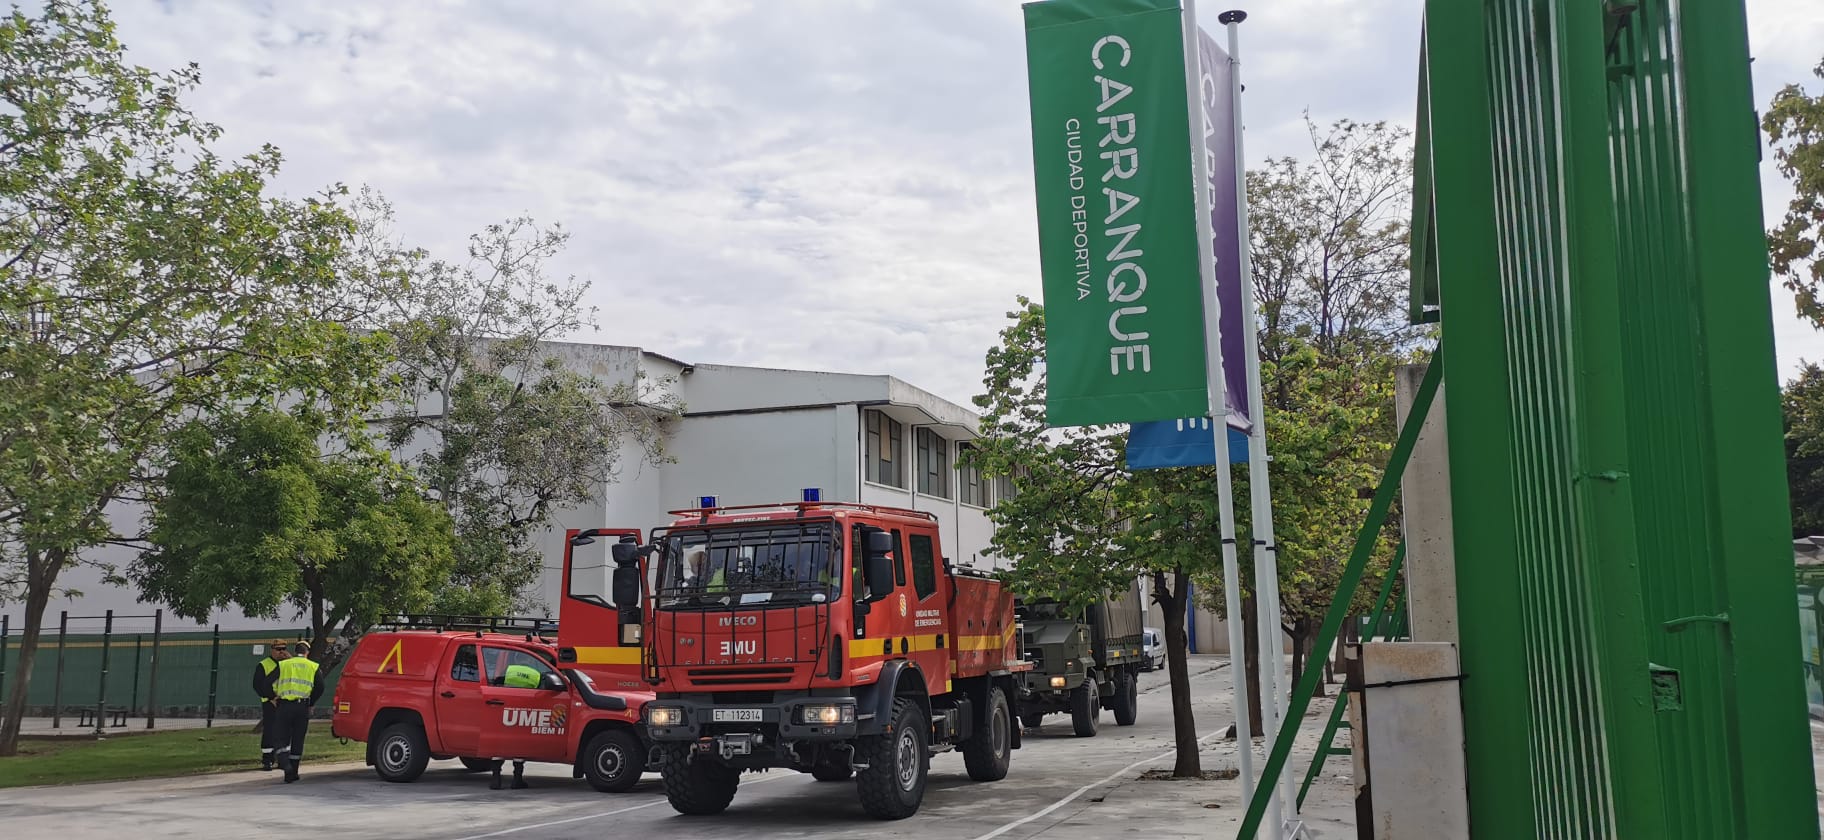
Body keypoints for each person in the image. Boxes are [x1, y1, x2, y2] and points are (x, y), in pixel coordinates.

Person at [267, 638, 325, 783]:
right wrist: (311, 702)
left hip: (284, 706)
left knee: (280, 737)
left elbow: (266, 683)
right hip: (302, 707)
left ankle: (285, 764)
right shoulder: (313, 666)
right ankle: (293, 773)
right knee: (298, 739)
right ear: (307, 652)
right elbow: (320, 687)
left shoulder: (284, 665)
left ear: (295, 651)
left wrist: (272, 697)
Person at [253, 640, 290, 771]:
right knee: (270, 731)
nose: (281, 652)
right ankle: (267, 760)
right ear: (272, 650)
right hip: (270, 702)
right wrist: (271, 697)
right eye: (278, 649)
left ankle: (283, 759)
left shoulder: (288, 663)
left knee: (285, 731)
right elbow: (258, 685)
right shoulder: (263, 665)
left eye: (283, 649)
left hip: (285, 701)